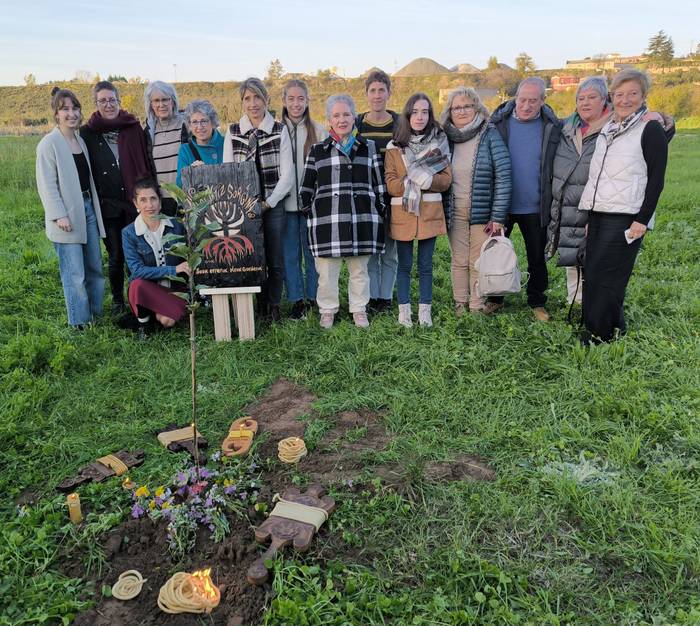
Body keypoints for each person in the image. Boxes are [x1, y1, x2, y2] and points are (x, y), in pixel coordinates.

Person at [546, 77, 675, 307]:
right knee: (571, 251)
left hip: (609, 204)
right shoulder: (566, 127)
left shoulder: (616, 125)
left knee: (598, 264)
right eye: (581, 98)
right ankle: (575, 302)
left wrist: (663, 120)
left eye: (592, 98)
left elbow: (653, 138)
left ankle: (595, 310)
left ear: (604, 100)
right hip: (573, 202)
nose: (585, 103)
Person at [578, 69, 669, 343]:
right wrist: (589, 212)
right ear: (612, 97)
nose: (625, 99)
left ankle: (599, 334)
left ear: (643, 96)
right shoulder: (611, 127)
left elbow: (656, 180)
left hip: (626, 215)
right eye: (619, 94)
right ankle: (613, 322)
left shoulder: (650, 128)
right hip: (599, 212)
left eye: (632, 94)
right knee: (593, 271)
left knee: (608, 276)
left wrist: (642, 219)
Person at [299, 94, 386, 329]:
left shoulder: (368, 148)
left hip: (362, 219)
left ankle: (359, 308)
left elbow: (379, 185)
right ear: (329, 119)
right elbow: (306, 189)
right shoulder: (318, 150)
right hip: (328, 221)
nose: (342, 119)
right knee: (326, 273)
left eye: (346, 114)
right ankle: (327, 309)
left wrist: (379, 209)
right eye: (336, 115)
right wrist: (313, 212)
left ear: (354, 117)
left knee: (359, 270)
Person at [488, 77, 561, 321]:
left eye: (533, 100)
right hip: (502, 204)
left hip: (535, 204)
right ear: (515, 97)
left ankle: (537, 301)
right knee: (496, 254)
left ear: (543, 100)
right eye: (522, 99)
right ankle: (495, 299)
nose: (526, 105)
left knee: (536, 257)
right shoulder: (498, 123)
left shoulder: (553, 126)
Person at [223, 77, 294, 321]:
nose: (253, 104)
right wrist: (242, 204)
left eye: (257, 98)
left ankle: (272, 304)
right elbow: (228, 171)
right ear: (242, 102)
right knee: (250, 257)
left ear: (266, 100)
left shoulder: (278, 130)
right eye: (247, 99)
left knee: (274, 258)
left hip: (272, 205)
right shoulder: (233, 132)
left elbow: (288, 175)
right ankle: (254, 306)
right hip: (243, 208)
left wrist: (268, 202)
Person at [80, 80, 152, 316]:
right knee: (116, 255)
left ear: (119, 101)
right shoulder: (88, 133)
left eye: (112, 99)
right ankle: (118, 300)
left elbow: (143, 160)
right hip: (107, 205)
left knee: (137, 251)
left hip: (134, 202)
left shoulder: (132, 127)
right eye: (103, 100)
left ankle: (137, 295)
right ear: (96, 104)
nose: (108, 104)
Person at [36, 87, 106, 328]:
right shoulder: (49, 144)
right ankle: (79, 322)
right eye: (65, 109)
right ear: (56, 113)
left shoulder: (80, 141)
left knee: (95, 267)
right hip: (66, 215)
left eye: (75, 108)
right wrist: (59, 215)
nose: (71, 113)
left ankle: (95, 315)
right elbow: (47, 184)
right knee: (74, 273)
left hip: (87, 208)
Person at [440, 86, 511, 315]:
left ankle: (477, 305)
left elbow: (503, 175)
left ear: (477, 108)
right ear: (450, 112)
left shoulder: (488, 134)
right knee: (458, 260)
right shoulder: (445, 138)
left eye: (467, 106)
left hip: (482, 211)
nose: (461, 111)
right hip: (454, 210)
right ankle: (460, 303)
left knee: (477, 261)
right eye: (456, 107)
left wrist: (498, 216)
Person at [384, 93, 452, 327]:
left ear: (430, 115)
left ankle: (425, 311)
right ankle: (404, 311)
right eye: (415, 112)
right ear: (407, 115)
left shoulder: (438, 144)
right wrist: (409, 180)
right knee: (403, 265)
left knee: (425, 265)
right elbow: (390, 183)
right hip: (403, 212)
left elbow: (445, 180)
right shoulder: (394, 146)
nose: (420, 117)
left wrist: (427, 180)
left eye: (425, 112)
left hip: (429, 212)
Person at [281, 79, 328, 320]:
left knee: (312, 255)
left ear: (308, 100)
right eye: (291, 98)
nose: (296, 103)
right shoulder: (277, 131)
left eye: (301, 98)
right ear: (284, 101)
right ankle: (297, 300)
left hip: (312, 206)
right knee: (291, 255)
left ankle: (314, 297)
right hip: (286, 206)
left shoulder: (319, 131)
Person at [121, 178, 191, 339]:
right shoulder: (129, 233)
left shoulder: (176, 226)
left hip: (173, 289)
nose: (149, 205)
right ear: (136, 204)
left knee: (167, 321)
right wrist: (173, 269)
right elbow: (137, 271)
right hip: (146, 290)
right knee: (137, 284)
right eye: (143, 200)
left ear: (160, 202)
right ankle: (144, 326)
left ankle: (153, 313)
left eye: (153, 199)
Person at [355, 70, 399, 314]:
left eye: (382, 90)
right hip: (367, 197)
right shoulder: (358, 124)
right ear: (366, 94)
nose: (377, 95)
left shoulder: (399, 123)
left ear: (389, 93)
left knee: (390, 251)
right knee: (371, 252)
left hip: (394, 197)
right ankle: (372, 297)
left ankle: (386, 297)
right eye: (373, 90)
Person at [144, 81, 189, 217]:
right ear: (151, 104)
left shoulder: (186, 125)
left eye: (165, 100)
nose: (161, 104)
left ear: (173, 101)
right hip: (161, 201)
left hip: (185, 197)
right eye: (156, 101)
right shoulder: (148, 131)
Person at [176, 99, 224, 187]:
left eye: (204, 121)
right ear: (189, 126)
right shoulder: (185, 150)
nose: (199, 126)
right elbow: (179, 186)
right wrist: (191, 172)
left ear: (212, 122)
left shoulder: (226, 143)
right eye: (194, 122)